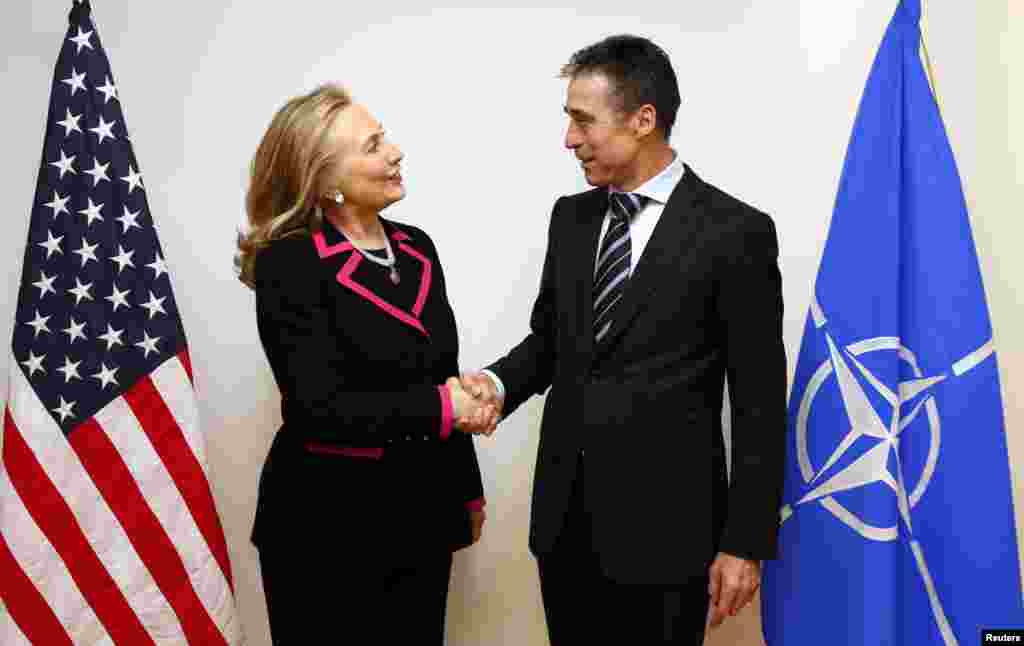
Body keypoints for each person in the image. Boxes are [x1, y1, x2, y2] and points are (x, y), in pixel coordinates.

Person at [460, 35, 787, 644]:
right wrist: (498, 385)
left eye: (583, 120)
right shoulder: (571, 217)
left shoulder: (735, 232)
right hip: (565, 525)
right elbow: (550, 342)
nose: (568, 139)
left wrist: (745, 542)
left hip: (671, 537)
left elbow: (760, 401)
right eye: (568, 120)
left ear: (644, 120)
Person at [236, 83, 495, 644]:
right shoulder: (291, 263)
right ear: (325, 180)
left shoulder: (419, 247)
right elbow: (317, 406)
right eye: (373, 145)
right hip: (326, 529)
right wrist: (441, 408)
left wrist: (466, 488)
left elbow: (442, 375)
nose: (395, 152)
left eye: (386, 139)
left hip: (423, 515)